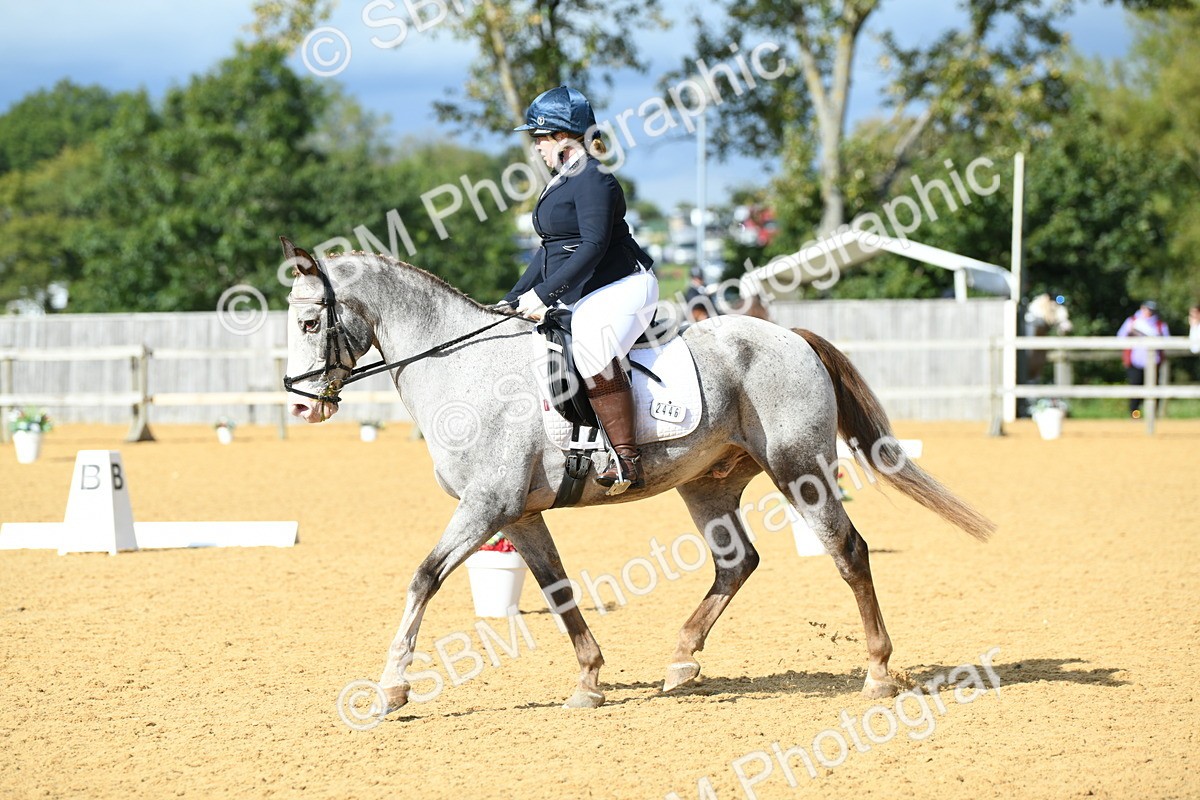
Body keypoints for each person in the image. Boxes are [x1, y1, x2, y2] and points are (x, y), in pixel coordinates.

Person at [496, 86, 658, 490]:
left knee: (590, 338)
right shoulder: (563, 180)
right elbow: (547, 252)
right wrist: (514, 298)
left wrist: (545, 295)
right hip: (595, 285)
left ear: (562, 137)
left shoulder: (593, 178)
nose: (536, 147)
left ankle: (626, 459)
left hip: (627, 283)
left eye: (539, 138)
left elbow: (593, 245)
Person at [1117, 300, 1169, 419]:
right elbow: (1120, 337)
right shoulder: (1132, 321)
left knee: (1154, 390)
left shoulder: (1160, 325)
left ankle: (1152, 416)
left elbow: (1167, 342)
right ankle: (1135, 415)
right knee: (1135, 389)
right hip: (1135, 362)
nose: (1148, 312)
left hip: (1154, 362)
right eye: (1146, 309)